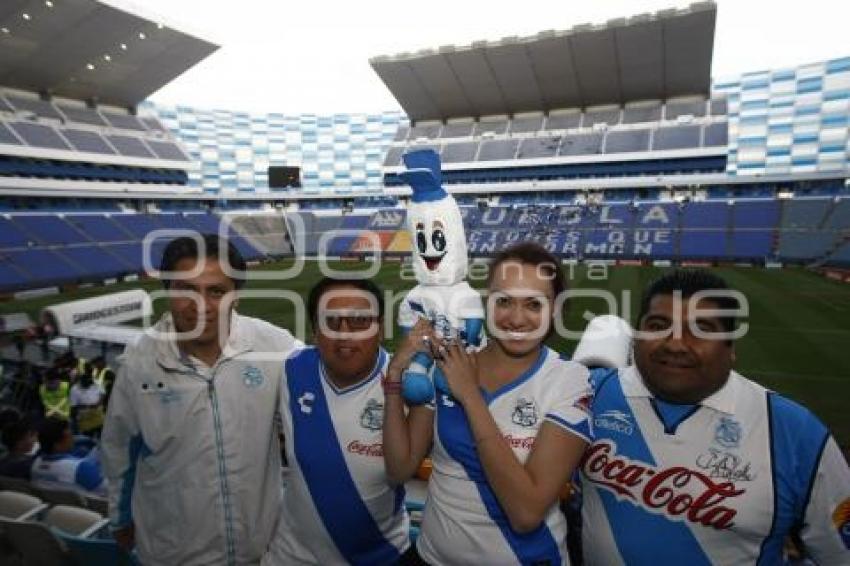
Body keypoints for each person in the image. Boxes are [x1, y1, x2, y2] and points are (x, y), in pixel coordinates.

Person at [580, 269, 850, 565]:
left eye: (701, 330)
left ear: (730, 347)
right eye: (658, 326)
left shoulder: (796, 434)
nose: (675, 344)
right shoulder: (588, 394)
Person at [384, 242, 592, 565]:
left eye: (533, 305)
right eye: (504, 301)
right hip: (429, 557)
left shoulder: (569, 380)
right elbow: (400, 469)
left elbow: (525, 513)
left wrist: (470, 396)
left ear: (555, 310)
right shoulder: (449, 363)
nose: (516, 318)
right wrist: (395, 375)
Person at [101, 234, 302, 565]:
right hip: (174, 554)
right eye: (186, 290)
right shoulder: (139, 362)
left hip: (262, 551)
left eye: (217, 291)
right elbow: (119, 449)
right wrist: (119, 518)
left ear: (236, 295)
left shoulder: (274, 345)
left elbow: (332, 373)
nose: (201, 306)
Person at [265, 276, 410, 565]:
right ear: (315, 331)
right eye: (332, 322)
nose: (345, 334)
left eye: (359, 321)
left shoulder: (406, 383)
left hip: (384, 555)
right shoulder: (288, 370)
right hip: (292, 557)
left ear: (380, 328)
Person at [30, 416, 106, 495]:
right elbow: (109, 493)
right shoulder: (81, 468)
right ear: (56, 444)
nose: (72, 439)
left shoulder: (35, 464)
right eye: (69, 436)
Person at [69, 361, 106, 437]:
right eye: (86, 384)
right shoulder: (74, 389)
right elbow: (74, 406)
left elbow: (102, 393)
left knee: (102, 435)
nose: (89, 385)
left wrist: (98, 403)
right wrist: (88, 406)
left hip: (98, 415)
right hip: (84, 416)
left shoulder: (96, 383)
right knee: (87, 437)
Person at [0, 414, 38, 479]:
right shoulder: (26, 465)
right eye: (31, 436)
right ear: (19, 444)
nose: (34, 440)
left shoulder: (4, 459)